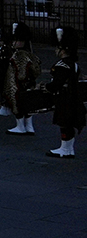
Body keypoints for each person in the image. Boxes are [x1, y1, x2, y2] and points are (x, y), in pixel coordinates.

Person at [47, 27, 83, 158]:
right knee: (69, 122)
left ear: (63, 50)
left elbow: (57, 83)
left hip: (64, 97)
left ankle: (65, 149)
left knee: (64, 122)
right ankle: (68, 148)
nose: (56, 51)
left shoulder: (62, 65)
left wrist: (47, 87)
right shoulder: (74, 64)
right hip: (72, 96)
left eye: (58, 48)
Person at [5, 22, 42, 135]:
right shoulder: (30, 54)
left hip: (17, 84)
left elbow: (20, 74)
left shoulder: (19, 54)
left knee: (17, 103)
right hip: (30, 83)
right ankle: (29, 126)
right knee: (29, 104)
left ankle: (20, 126)